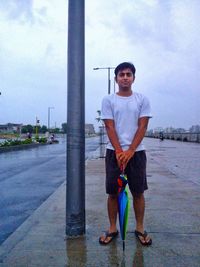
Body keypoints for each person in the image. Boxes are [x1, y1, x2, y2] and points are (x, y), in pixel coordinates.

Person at [99, 62, 152, 246]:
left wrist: (130, 151)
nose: (125, 77)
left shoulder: (142, 99)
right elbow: (109, 125)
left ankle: (139, 227)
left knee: (138, 192)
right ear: (116, 79)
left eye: (128, 74)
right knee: (113, 193)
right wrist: (121, 151)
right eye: (121, 74)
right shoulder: (109, 100)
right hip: (114, 152)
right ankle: (113, 227)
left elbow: (143, 125)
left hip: (136, 153)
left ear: (133, 78)